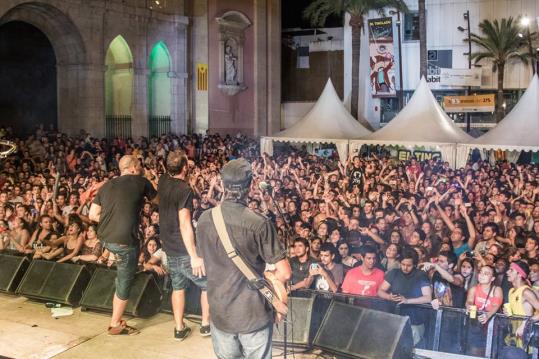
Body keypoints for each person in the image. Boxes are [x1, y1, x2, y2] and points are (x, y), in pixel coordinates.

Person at [196, 158, 291, 359]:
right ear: (250, 187)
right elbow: (285, 272)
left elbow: (204, 259)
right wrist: (270, 278)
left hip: (220, 310)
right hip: (253, 312)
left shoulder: (204, 219)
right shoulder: (259, 223)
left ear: (222, 184)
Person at [89, 155, 157, 336]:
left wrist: (112, 222)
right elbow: (159, 202)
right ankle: (115, 324)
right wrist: (151, 178)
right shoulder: (141, 181)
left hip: (104, 238)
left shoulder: (106, 185)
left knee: (122, 268)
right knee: (125, 282)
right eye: (140, 164)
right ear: (134, 167)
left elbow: (92, 214)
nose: (141, 166)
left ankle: (114, 262)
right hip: (125, 242)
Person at [158, 150, 210, 340]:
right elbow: (185, 224)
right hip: (183, 250)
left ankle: (179, 329)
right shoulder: (185, 190)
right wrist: (194, 257)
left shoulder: (162, 181)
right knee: (208, 285)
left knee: (178, 287)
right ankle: (206, 325)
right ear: (185, 167)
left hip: (168, 247)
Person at [378, 247, 432, 345]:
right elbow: (380, 291)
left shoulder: (420, 275)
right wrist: (389, 297)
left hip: (415, 320)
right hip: (395, 318)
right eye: (403, 264)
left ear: (414, 264)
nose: (405, 268)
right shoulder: (394, 272)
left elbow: (428, 297)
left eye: (409, 265)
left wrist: (407, 301)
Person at [504, 260, 539, 345]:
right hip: (514, 336)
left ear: (519, 274)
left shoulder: (526, 292)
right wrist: (509, 313)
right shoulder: (511, 291)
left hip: (526, 339)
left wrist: (525, 324)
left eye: (511, 270)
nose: (507, 272)